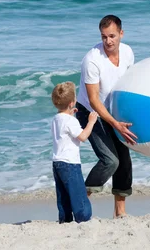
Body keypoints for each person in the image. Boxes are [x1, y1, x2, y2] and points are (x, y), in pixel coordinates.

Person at [75, 14, 137, 218]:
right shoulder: (92, 60)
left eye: (112, 36)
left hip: (114, 109)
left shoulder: (127, 52)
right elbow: (93, 100)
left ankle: (120, 212)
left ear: (121, 33)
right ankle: (80, 198)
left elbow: (130, 85)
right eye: (104, 37)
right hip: (91, 112)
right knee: (110, 160)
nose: (108, 41)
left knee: (124, 160)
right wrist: (115, 124)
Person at [51, 81, 98, 223]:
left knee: (63, 194)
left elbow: (65, 129)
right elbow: (83, 136)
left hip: (57, 162)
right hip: (70, 163)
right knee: (78, 194)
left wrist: (71, 115)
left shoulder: (56, 118)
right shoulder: (71, 122)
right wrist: (91, 122)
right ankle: (83, 218)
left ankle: (65, 220)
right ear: (72, 103)